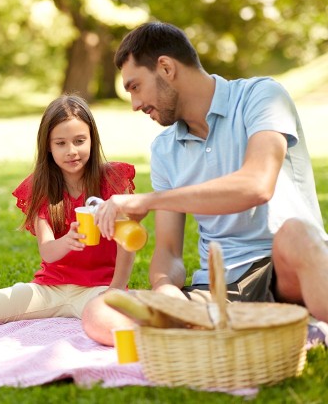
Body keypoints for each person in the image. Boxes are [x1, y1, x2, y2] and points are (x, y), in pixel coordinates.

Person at [81, 21, 328, 346]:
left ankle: (279, 323)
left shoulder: (262, 96)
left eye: (135, 87)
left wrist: (149, 201)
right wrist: (165, 291)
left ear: (166, 68)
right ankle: (207, 332)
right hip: (216, 291)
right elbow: (169, 251)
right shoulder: (165, 149)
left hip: (284, 272)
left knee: (297, 232)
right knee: (100, 309)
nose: (135, 104)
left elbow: (256, 185)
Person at [0, 95, 137, 323]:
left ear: (92, 139)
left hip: (100, 288)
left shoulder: (112, 179)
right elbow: (48, 252)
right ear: (48, 147)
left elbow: (127, 243)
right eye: (60, 143)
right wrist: (68, 240)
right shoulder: (40, 188)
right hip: (50, 288)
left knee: (112, 321)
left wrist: (116, 288)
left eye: (80, 141)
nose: (71, 150)